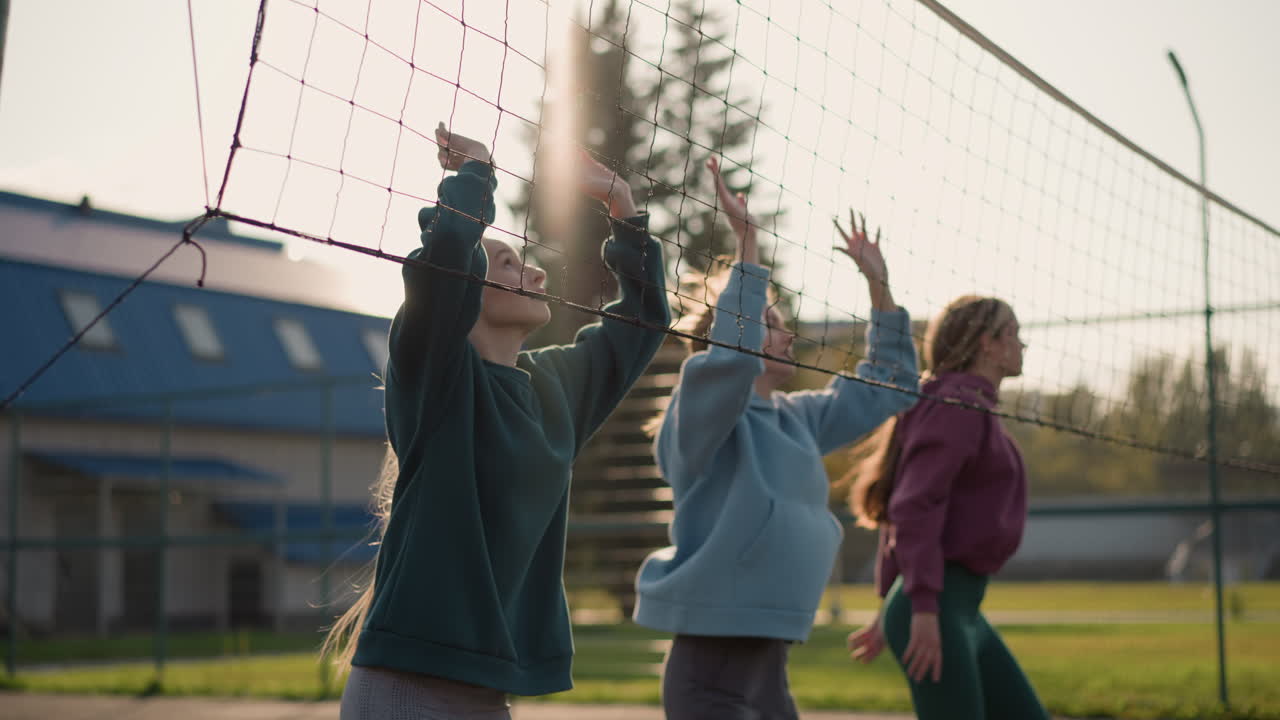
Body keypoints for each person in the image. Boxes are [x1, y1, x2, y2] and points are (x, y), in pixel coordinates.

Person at [325, 123, 671, 719]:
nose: (535, 274)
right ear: (470, 291)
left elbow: (642, 321)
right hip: (408, 687)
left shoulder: (555, 389)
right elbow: (438, 274)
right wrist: (477, 174)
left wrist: (621, 202)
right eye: (510, 264)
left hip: (486, 691)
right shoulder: (436, 373)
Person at [633, 156, 920, 719]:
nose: (788, 334)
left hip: (769, 667)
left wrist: (878, 285)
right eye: (771, 322)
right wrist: (748, 244)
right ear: (730, 334)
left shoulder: (799, 419)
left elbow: (892, 386)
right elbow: (730, 360)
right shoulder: (701, 421)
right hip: (710, 672)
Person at [843, 295, 1047, 720]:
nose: (1022, 344)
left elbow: (907, 507)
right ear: (987, 344)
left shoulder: (969, 403)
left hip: (959, 608)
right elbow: (912, 508)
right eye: (1013, 334)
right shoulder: (959, 405)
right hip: (938, 607)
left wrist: (892, 603)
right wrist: (918, 607)